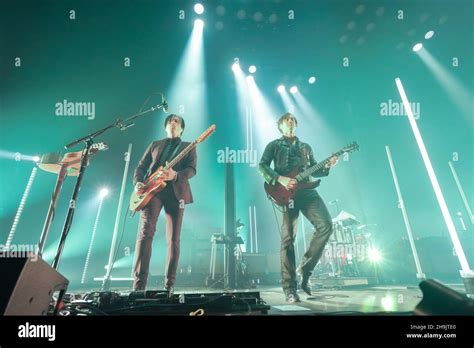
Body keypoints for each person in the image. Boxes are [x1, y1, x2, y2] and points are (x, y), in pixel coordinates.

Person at [259, 112, 338, 303]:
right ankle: (289, 289)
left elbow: (314, 168)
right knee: (288, 239)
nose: (291, 122)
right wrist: (280, 179)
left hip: (307, 191)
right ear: (280, 126)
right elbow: (262, 166)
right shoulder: (274, 145)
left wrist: (327, 166)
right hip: (285, 193)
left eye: (293, 120)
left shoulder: (305, 147)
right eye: (287, 120)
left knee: (326, 225)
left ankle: (306, 270)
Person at [132, 114, 196, 296]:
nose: (172, 123)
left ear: (182, 128)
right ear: (165, 127)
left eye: (176, 121)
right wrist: (138, 182)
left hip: (176, 193)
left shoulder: (189, 147)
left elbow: (192, 169)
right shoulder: (155, 144)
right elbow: (141, 166)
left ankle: (169, 286)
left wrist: (175, 175)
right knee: (145, 234)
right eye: (170, 121)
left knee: (173, 239)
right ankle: (139, 285)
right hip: (153, 192)